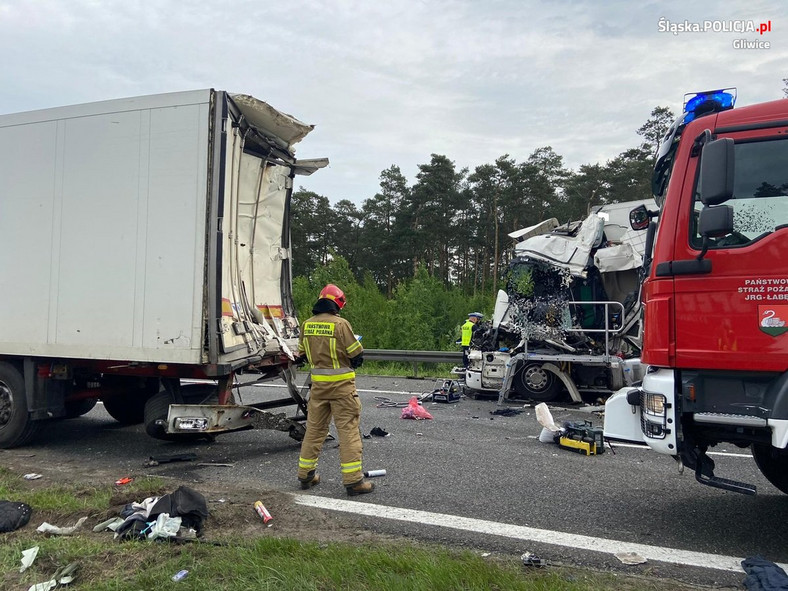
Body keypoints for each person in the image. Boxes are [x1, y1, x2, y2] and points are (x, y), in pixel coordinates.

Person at [295, 284, 374, 496]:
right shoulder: (341, 324)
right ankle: (354, 481)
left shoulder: (307, 325)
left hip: (318, 389)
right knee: (348, 431)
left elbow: (301, 354)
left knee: (314, 430)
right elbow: (356, 354)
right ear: (338, 304)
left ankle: (306, 475)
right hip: (342, 389)